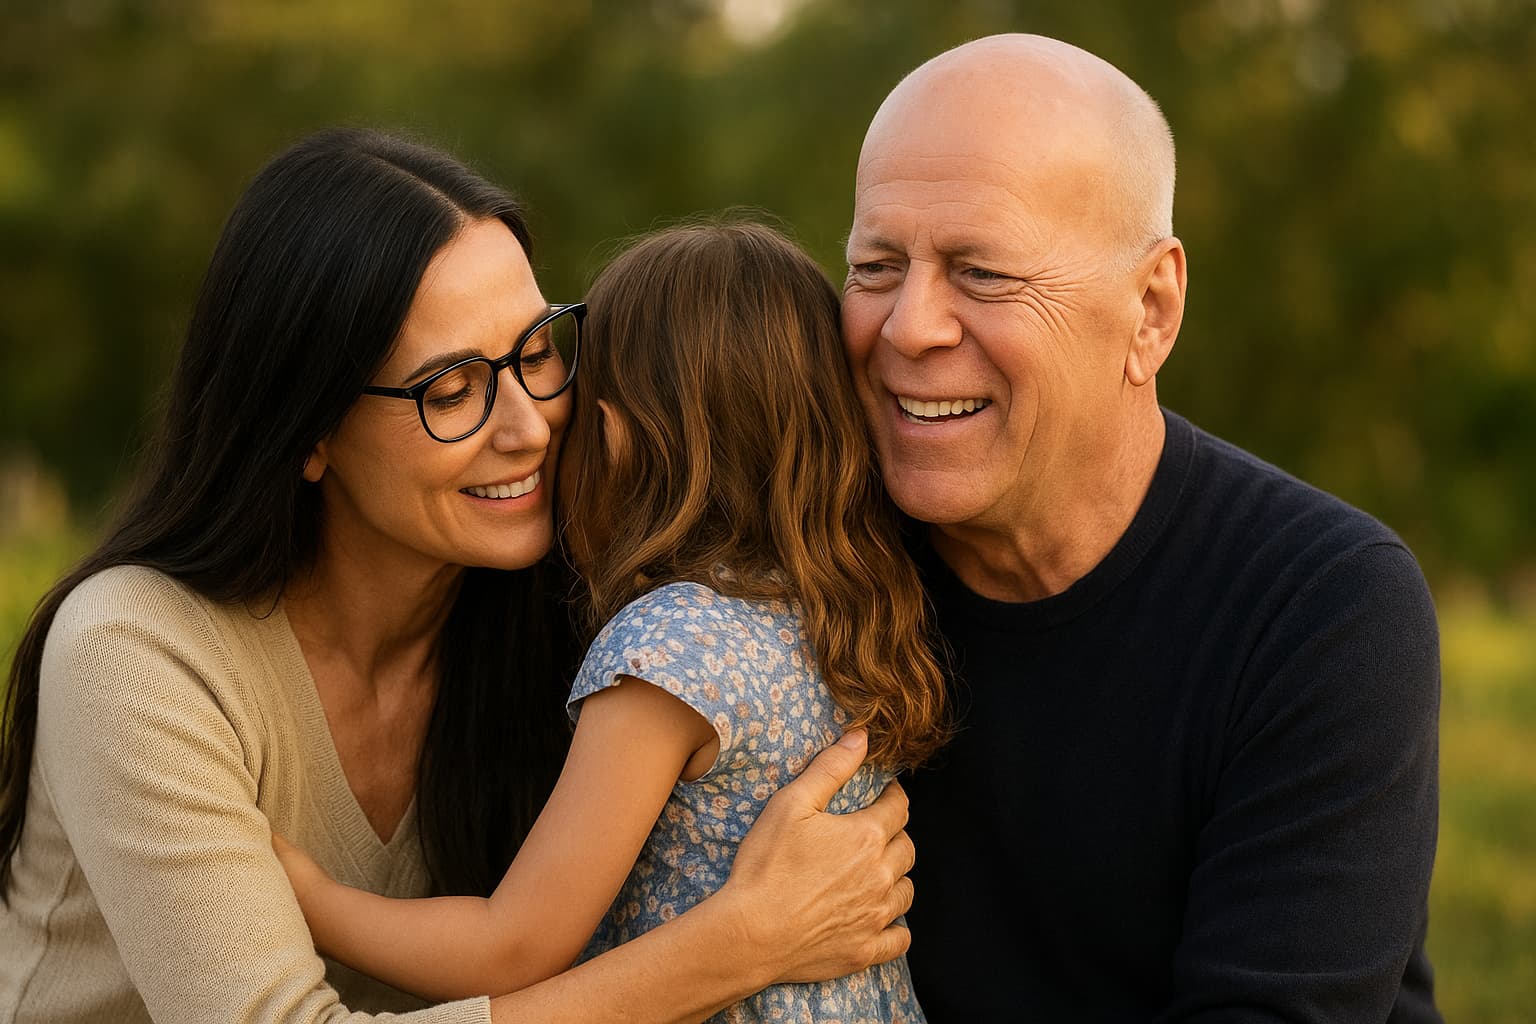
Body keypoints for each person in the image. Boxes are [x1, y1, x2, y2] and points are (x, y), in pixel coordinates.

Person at [0, 129, 917, 1024]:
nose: (527, 428)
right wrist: (737, 947)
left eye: (536, 353)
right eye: (451, 390)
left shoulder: (586, 605)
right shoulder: (137, 654)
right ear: (307, 431)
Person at [840, 34, 1441, 1022]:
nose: (909, 327)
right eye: (875, 264)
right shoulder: (812, 561)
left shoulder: (1319, 603)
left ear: (1151, 310)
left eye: (981, 272)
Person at [273, 220, 945, 1024]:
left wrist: (311, 900)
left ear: (617, 439)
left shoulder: (666, 653)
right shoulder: (846, 605)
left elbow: (512, 946)